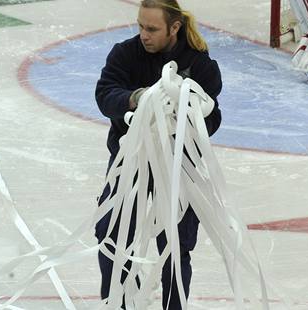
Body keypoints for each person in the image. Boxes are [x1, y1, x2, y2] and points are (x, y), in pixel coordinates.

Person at [94, 0, 222, 309]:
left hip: (178, 168)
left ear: (174, 28)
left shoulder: (201, 65)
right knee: (111, 234)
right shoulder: (124, 53)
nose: (144, 35)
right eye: (140, 26)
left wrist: (186, 116)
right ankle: (119, 304)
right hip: (131, 162)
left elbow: (213, 116)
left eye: (152, 29)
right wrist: (137, 99)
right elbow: (105, 94)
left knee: (176, 244)